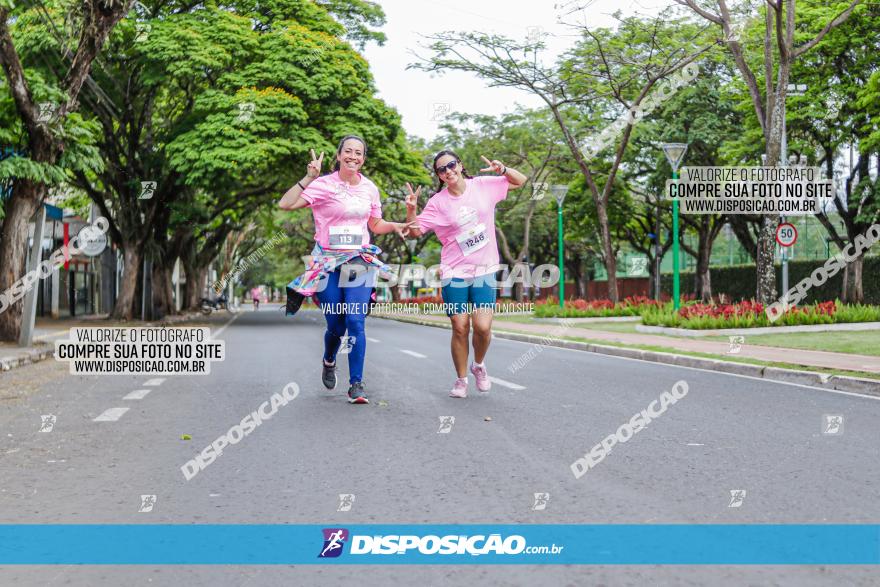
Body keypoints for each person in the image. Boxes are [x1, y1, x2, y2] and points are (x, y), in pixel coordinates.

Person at [278, 135, 411, 404]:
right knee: (336, 324)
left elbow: (375, 224)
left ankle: (356, 384)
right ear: (338, 156)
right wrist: (309, 177)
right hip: (326, 263)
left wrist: (395, 225)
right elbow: (285, 204)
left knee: (354, 320)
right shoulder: (323, 185)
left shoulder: (370, 188)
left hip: (359, 260)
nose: (353, 156)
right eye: (348, 151)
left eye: (358, 153)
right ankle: (329, 360)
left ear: (363, 158)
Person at [405, 151, 526, 398]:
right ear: (438, 176)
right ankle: (461, 380)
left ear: (460, 165)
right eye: (441, 169)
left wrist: (502, 169)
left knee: (482, 327)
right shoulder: (437, 203)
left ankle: (478, 365)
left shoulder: (482, 186)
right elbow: (414, 232)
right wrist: (411, 209)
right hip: (454, 271)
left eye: (451, 165)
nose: (448, 171)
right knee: (460, 326)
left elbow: (520, 181)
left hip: (485, 268)